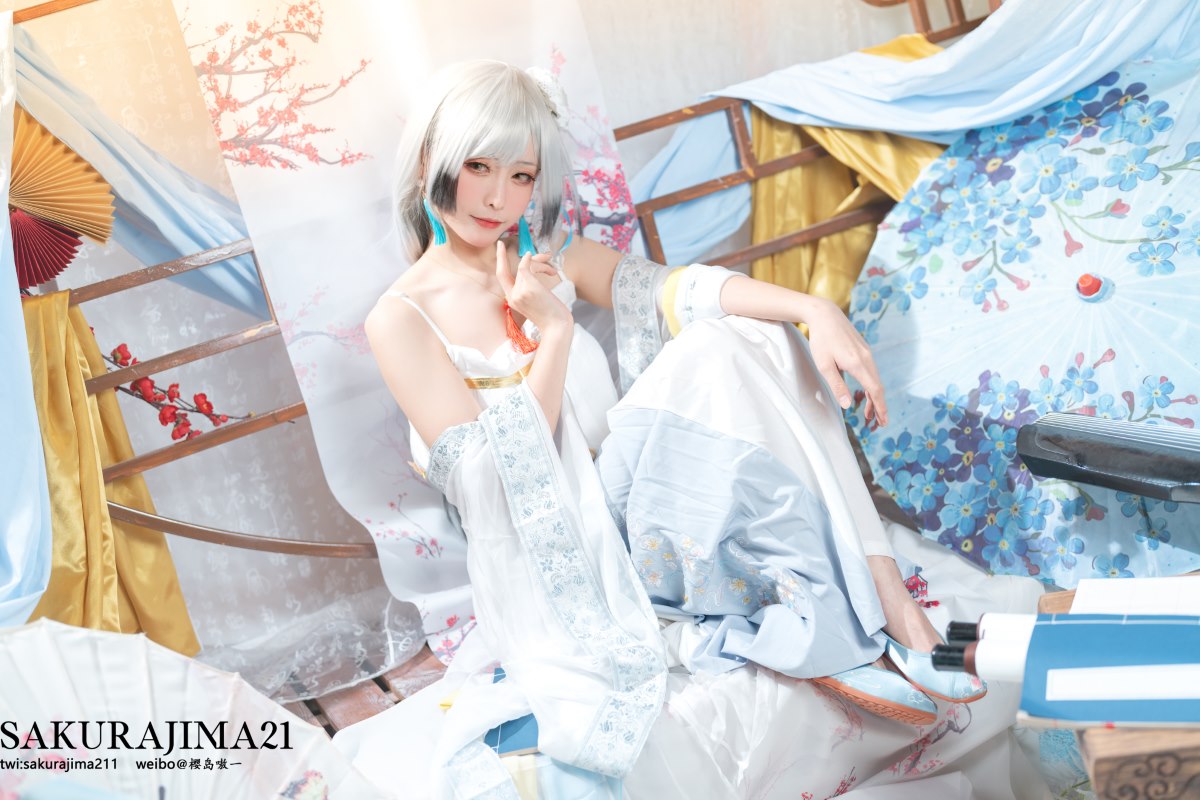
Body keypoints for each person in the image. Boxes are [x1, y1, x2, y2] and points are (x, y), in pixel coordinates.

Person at [356, 60, 998, 797]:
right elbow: (495, 483)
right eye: (478, 167)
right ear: (432, 162)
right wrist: (554, 333)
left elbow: (676, 289)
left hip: (635, 510)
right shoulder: (401, 318)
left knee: (747, 332)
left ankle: (891, 605)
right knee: (721, 346)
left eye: (522, 175)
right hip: (561, 557)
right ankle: (869, 623)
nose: (498, 198)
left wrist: (811, 309)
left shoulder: (546, 256)